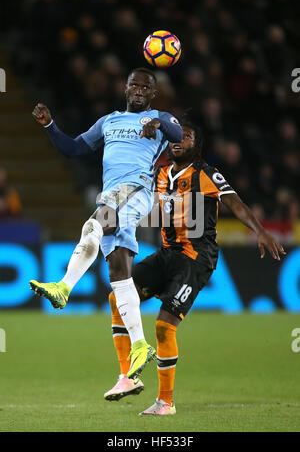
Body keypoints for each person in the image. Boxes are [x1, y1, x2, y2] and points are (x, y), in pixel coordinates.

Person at [104, 122, 286, 415]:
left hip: (196, 258)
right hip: (167, 254)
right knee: (117, 298)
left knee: (164, 326)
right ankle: (126, 377)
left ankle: (165, 402)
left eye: (186, 136)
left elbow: (235, 203)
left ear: (196, 145)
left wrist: (260, 231)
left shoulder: (206, 173)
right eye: (176, 136)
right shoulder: (160, 173)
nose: (179, 140)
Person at [29, 67, 183, 380]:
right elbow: (73, 148)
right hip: (113, 193)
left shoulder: (162, 118)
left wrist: (157, 121)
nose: (139, 91)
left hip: (136, 189)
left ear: (153, 93)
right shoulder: (108, 121)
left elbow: (178, 133)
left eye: (145, 87)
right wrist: (50, 126)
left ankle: (64, 286)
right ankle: (140, 344)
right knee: (118, 272)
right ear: (125, 89)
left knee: (93, 226)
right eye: (134, 85)